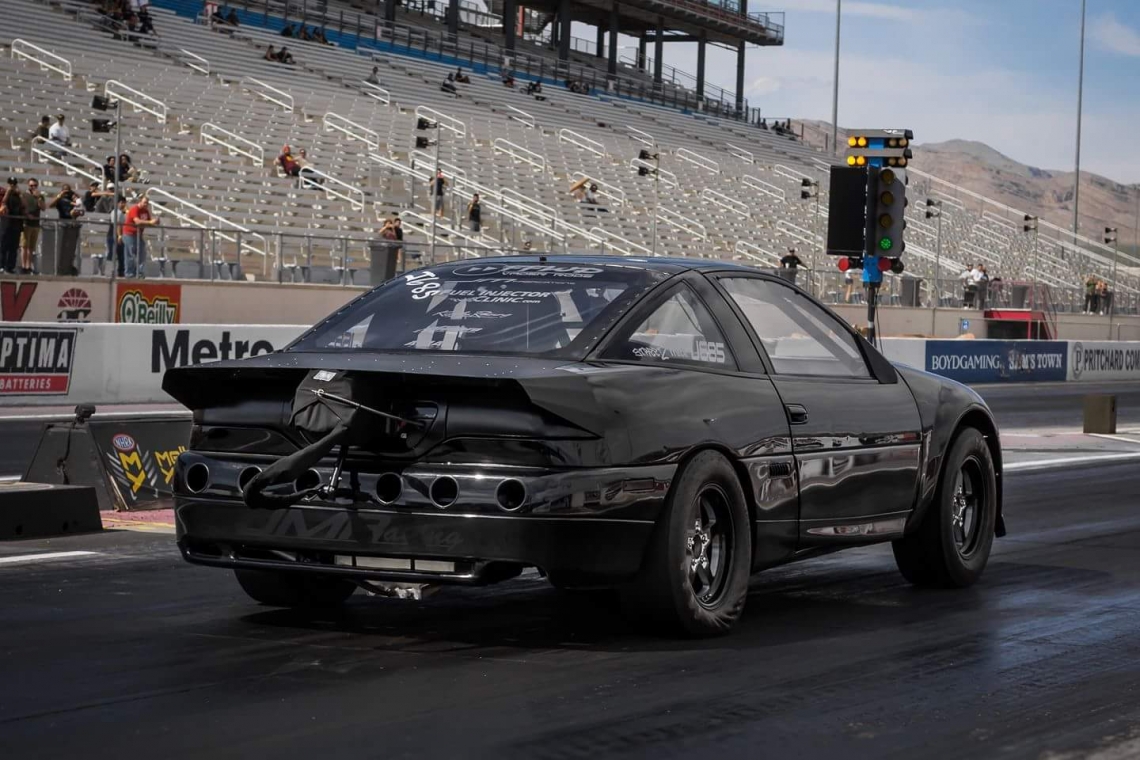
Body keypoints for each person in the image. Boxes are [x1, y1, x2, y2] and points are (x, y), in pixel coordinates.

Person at [48, 183, 84, 275]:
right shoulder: (60, 200)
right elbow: (50, 205)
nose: (67, 193)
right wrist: (59, 196)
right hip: (63, 223)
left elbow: (81, 211)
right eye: (65, 191)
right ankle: (60, 267)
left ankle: (69, 266)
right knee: (62, 247)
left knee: (71, 247)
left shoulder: (73, 199)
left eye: (68, 191)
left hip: (72, 224)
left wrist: (75, 198)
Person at [122, 194, 158, 278]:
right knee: (130, 254)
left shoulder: (145, 211)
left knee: (142, 254)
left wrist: (155, 222)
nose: (146, 204)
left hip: (138, 234)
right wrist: (150, 222)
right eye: (144, 202)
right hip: (129, 233)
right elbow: (137, 221)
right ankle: (129, 273)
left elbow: (148, 222)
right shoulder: (135, 209)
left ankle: (140, 272)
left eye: (147, 203)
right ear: (140, 202)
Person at [19, 177, 44, 274]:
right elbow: (21, 207)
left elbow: (43, 208)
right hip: (26, 223)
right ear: (28, 185)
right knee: (24, 246)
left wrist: (38, 198)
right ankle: (23, 266)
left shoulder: (40, 196)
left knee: (31, 247)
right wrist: (27, 215)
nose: (33, 187)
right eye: (31, 185)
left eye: (35, 185)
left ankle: (29, 266)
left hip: (35, 224)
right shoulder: (24, 195)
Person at [0, 178, 25, 274]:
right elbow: (3, 202)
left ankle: (10, 267)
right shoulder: (5, 193)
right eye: (11, 184)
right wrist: (8, 192)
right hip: (6, 223)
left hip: (16, 224)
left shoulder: (18, 195)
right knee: (3, 245)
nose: (13, 185)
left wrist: (20, 194)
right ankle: (1, 265)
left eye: (14, 184)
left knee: (13, 247)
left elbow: (24, 205)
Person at [108, 196, 128, 276]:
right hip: (114, 236)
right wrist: (119, 235)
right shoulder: (117, 212)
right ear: (117, 203)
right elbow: (117, 225)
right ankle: (110, 272)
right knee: (113, 254)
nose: (123, 204)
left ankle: (120, 272)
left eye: (124, 203)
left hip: (117, 235)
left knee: (120, 255)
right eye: (121, 203)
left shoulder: (121, 213)